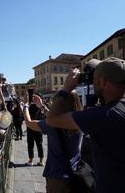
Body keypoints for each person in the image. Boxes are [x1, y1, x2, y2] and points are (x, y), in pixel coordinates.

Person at [46, 57, 125, 193]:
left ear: (103, 81)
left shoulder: (102, 115)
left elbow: (52, 119)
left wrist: (65, 89)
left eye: (94, 79)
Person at [24, 91, 83, 192]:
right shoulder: (81, 120)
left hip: (56, 176)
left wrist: (25, 106)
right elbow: (57, 118)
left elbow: (29, 123)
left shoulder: (51, 125)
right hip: (75, 173)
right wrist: (42, 106)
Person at [26, 93, 45, 166]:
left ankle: (30, 161)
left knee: (30, 145)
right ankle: (41, 161)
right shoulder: (40, 107)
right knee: (39, 144)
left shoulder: (29, 106)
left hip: (30, 127)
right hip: (38, 127)